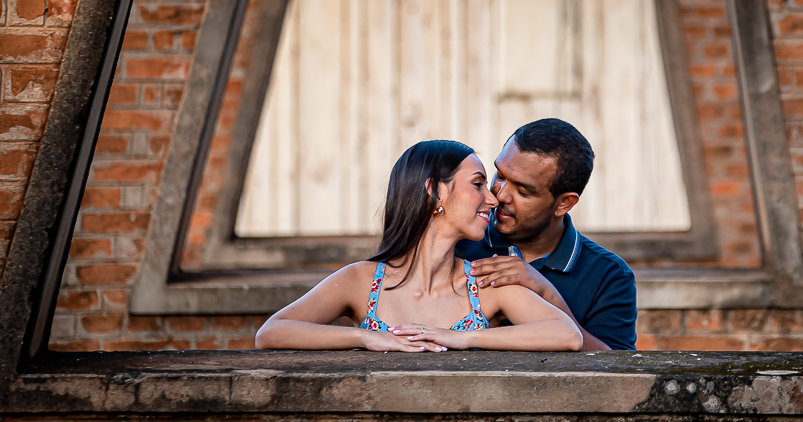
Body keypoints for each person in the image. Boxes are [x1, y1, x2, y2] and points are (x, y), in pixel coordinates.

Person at [255, 139, 582, 352]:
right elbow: (272, 333)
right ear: (435, 191)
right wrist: (364, 337)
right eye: (478, 185)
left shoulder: (484, 282)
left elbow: (567, 335)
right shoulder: (362, 280)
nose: (493, 198)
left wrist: (462, 338)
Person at [457, 119, 637, 350]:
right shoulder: (460, 242)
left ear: (564, 203)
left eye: (523, 191)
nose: (500, 196)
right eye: (500, 176)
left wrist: (547, 294)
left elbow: (619, 373)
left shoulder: (609, 275)